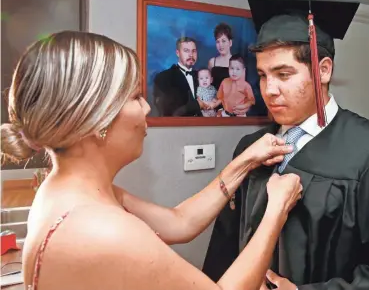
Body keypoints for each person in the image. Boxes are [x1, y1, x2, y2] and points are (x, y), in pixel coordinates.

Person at [0, 31, 305, 290]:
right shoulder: (100, 229)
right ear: (96, 119)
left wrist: (245, 161)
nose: (146, 107)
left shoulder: (72, 192)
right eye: (134, 97)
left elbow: (179, 222)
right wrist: (276, 209)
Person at [203, 0, 369, 289]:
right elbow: (224, 248)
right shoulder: (251, 148)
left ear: (323, 70)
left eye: (284, 74)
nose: (269, 90)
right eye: (262, 75)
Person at [152, 36, 204, 116]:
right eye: (186, 51)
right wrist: (196, 106)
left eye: (194, 51)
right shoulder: (164, 77)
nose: (191, 55)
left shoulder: (202, 76)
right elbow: (167, 111)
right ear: (177, 53)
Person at [208, 23, 233, 90]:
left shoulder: (237, 62)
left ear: (230, 42)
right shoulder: (212, 62)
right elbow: (207, 84)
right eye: (217, 42)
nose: (220, 45)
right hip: (214, 99)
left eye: (223, 41)